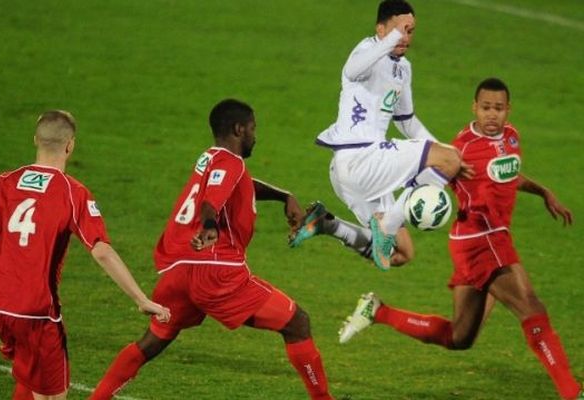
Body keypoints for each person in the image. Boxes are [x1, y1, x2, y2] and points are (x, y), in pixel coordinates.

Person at [338, 78, 582, 399]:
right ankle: (571, 392)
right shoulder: (461, 149)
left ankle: (378, 311)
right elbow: (425, 181)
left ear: (508, 110)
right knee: (531, 307)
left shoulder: (511, 137)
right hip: (481, 238)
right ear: (474, 108)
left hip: (477, 242)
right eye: (485, 108)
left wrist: (543, 191)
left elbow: (505, 173)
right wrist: (402, 213)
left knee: (460, 337)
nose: (491, 115)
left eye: (498, 108)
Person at [89, 99, 334, 400]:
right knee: (298, 322)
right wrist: (210, 228)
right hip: (216, 272)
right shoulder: (231, 164)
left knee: (152, 342)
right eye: (253, 129)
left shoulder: (210, 159)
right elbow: (212, 202)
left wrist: (285, 196)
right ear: (238, 129)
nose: (256, 136)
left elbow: (237, 184)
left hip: (176, 272)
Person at [0, 110, 171, 400]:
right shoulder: (72, 193)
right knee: (52, 396)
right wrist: (141, 299)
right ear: (70, 145)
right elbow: (102, 252)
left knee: (30, 375)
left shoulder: (4, 183)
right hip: (37, 312)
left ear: (36, 139)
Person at [289, 0, 472, 271]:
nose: (406, 37)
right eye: (400, 29)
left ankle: (328, 224)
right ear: (381, 29)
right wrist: (448, 159)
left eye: (410, 31)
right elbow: (351, 71)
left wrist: (445, 152)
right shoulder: (366, 50)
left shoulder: (403, 68)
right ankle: (385, 225)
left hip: (358, 172)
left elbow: (406, 120)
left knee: (403, 253)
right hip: (361, 158)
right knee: (447, 161)